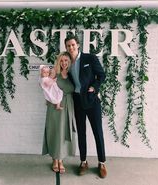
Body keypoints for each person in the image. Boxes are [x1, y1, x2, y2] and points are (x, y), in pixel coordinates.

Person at [64, 34, 107, 178]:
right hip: (77, 101)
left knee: (97, 132)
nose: (71, 47)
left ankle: (102, 162)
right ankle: (83, 162)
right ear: (66, 47)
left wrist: (94, 88)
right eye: (68, 45)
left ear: (78, 45)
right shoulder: (67, 62)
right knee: (81, 132)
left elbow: (101, 75)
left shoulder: (90, 58)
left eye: (73, 45)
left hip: (92, 100)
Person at [41, 51, 77, 174]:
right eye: (61, 60)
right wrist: (49, 101)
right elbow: (46, 88)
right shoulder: (54, 73)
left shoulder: (73, 74)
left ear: (70, 61)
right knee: (55, 132)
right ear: (58, 61)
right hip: (55, 107)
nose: (64, 63)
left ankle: (60, 160)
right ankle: (54, 160)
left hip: (68, 106)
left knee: (64, 133)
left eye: (66, 60)